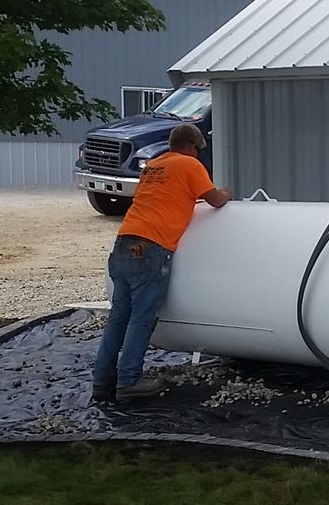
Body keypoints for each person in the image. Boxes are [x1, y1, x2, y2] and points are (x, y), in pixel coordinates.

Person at [92, 123, 231, 402]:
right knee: (142, 318)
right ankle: (129, 381)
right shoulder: (189, 165)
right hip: (150, 248)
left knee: (119, 317)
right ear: (192, 147)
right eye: (197, 151)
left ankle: (102, 381)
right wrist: (227, 193)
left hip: (124, 243)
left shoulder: (153, 166)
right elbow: (214, 200)